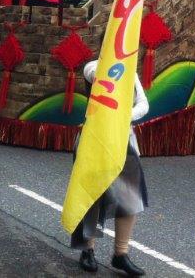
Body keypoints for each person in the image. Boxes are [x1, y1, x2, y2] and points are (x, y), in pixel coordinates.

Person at [71, 60, 149, 276]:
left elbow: (143, 104)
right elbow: (98, 77)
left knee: (130, 196)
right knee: (92, 197)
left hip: (122, 141)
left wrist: (124, 116)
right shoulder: (93, 67)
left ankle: (121, 254)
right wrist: (115, 64)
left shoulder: (131, 72)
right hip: (93, 140)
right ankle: (87, 250)